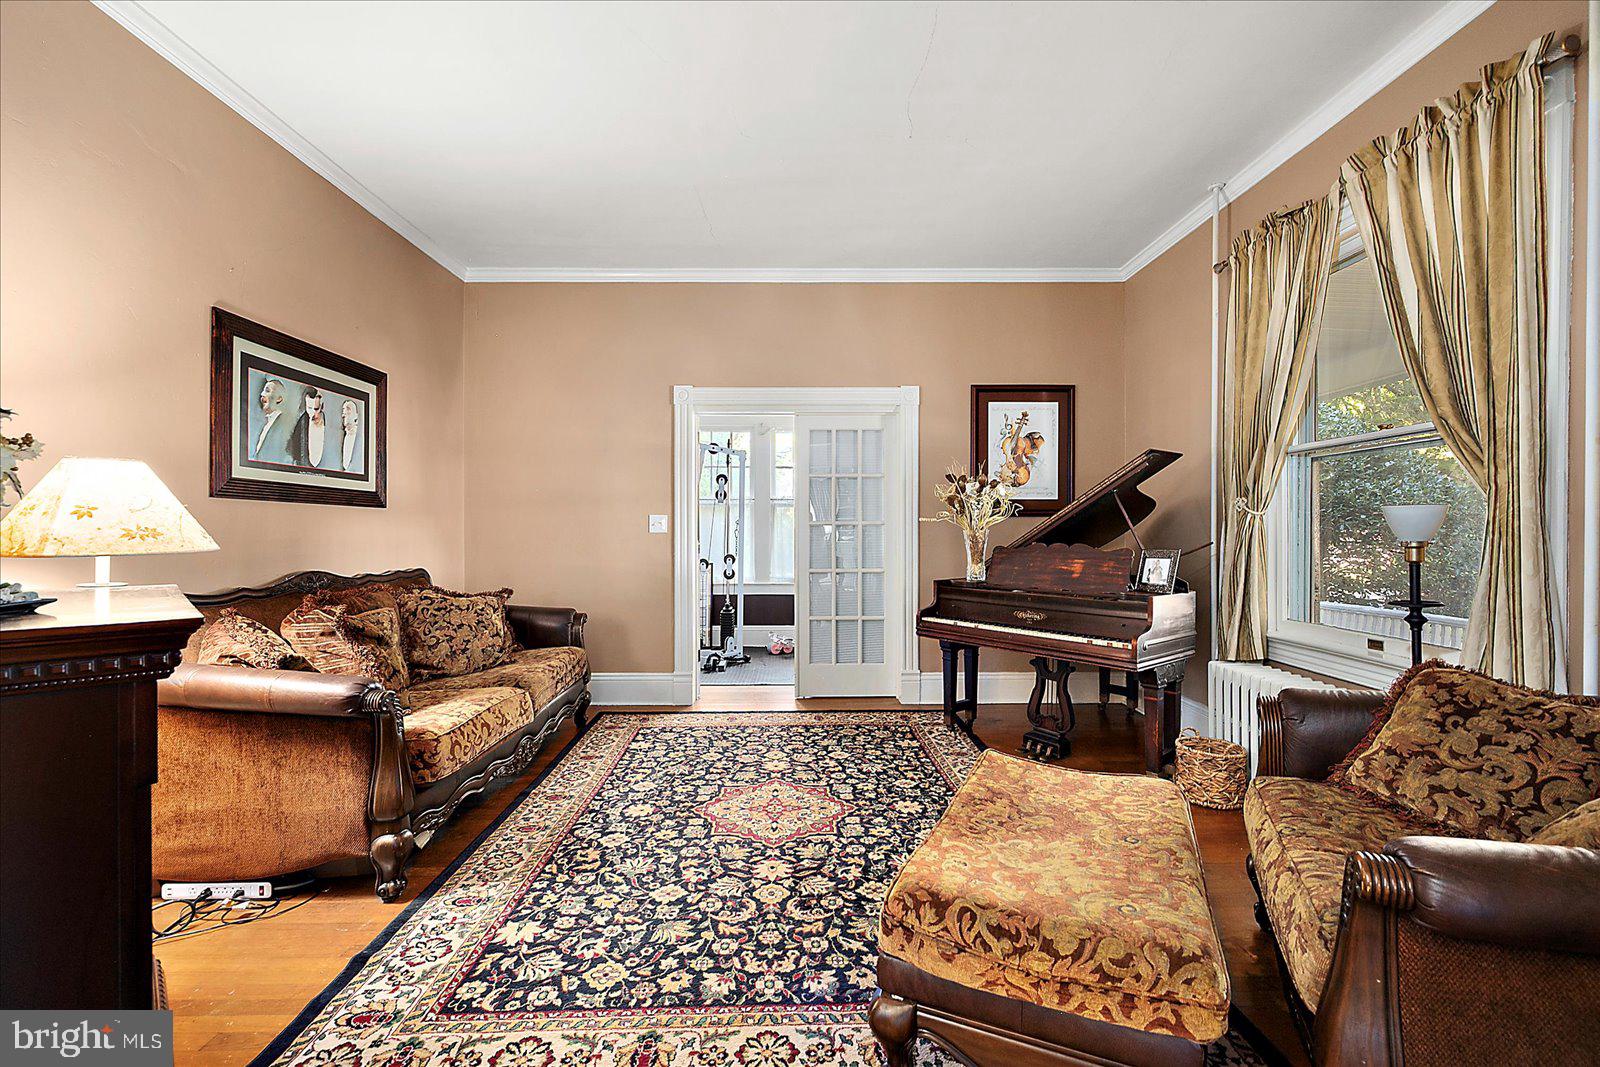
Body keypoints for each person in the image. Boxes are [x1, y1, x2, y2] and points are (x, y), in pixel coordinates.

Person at [252, 378, 291, 461]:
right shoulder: (267, 423)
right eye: (263, 391)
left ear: (279, 398)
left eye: (267, 391)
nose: (262, 394)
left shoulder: (283, 425)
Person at [287, 387, 325, 468]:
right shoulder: (301, 422)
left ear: (322, 407)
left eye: (316, 409)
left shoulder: (328, 421)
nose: (313, 414)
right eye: (310, 408)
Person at [340, 399, 361, 472]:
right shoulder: (344, 437)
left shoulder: (360, 440)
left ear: (356, 416)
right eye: (343, 411)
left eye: (348, 411)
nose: (343, 415)